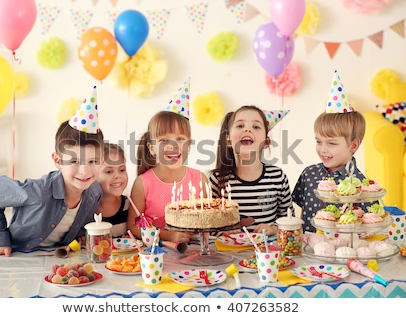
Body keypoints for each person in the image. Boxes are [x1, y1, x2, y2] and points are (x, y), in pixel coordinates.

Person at [0, 86, 104, 297]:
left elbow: (81, 221)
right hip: (15, 261)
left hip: (50, 266)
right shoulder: (37, 191)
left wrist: (81, 236)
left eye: (93, 161)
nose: (84, 170)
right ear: (57, 161)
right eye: (74, 161)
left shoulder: (94, 192)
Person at [127, 78, 209, 244]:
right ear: (151, 148)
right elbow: (134, 227)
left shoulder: (200, 180)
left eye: (180, 138)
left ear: (190, 145)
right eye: (164, 140)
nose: (172, 145)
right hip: (156, 254)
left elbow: (207, 221)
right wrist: (168, 235)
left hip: (194, 253)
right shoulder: (143, 183)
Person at [292, 70, 369, 233]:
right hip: (308, 250)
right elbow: (302, 213)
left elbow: (365, 227)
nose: (323, 149)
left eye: (331, 143)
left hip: (340, 253)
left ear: (353, 146)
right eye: (318, 141)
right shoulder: (309, 174)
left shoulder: (359, 185)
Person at [209, 105, 293, 236]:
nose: (247, 129)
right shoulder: (217, 180)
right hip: (228, 254)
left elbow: (289, 221)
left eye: (256, 127)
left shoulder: (277, 177)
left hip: (267, 254)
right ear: (228, 140)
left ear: (266, 142)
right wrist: (222, 232)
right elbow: (207, 228)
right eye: (240, 126)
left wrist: (273, 229)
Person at [96, 142, 129, 238]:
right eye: (109, 171)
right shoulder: (86, 209)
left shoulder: (130, 206)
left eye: (122, 170)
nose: (118, 176)